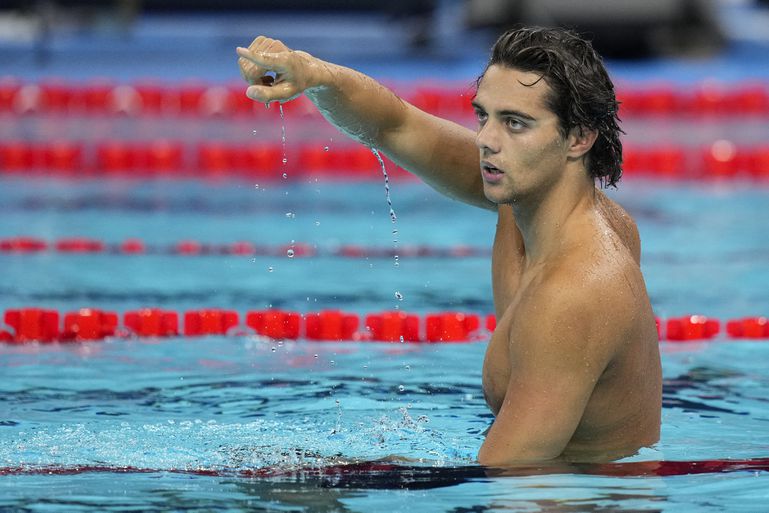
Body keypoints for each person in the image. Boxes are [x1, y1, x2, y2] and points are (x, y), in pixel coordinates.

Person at [236, 26, 662, 465]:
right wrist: (313, 73)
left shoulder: (574, 292)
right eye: (484, 116)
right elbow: (393, 124)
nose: (486, 140)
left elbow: (506, 479)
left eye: (515, 123)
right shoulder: (527, 197)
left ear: (579, 138)